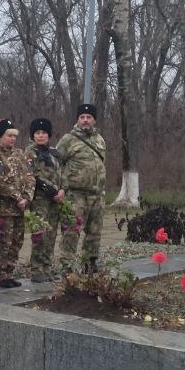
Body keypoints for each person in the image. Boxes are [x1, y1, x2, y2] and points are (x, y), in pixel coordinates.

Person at [58, 104, 107, 270]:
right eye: (82, 117)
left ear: (94, 120)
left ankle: (90, 262)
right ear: (77, 119)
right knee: (72, 231)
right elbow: (58, 164)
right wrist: (62, 187)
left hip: (97, 195)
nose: (85, 120)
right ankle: (67, 264)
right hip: (75, 195)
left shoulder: (100, 140)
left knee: (95, 231)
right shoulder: (68, 140)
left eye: (89, 117)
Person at [0, 119, 33, 288]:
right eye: (9, 135)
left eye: (14, 136)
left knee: (16, 241)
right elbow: (0, 181)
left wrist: (27, 197)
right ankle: (0, 275)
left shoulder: (19, 154)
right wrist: (17, 197)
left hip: (20, 207)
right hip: (4, 208)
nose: (13, 139)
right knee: (4, 242)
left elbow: (29, 176)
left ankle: (9, 272)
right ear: (0, 136)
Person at [26, 118, 66, 283]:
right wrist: (52, 192)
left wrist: (63, 189)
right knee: (40, 235)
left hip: (55, 201)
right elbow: (32, 177)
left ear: (48, 135)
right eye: (37, 133)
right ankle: (37, 270)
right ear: (33, 135)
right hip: (40, 200)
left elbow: (63, 174)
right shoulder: (30, 153)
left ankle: (47, 268)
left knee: (51, 235)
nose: (40, 136)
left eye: (43, 133)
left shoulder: (54, 153)